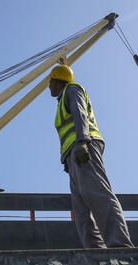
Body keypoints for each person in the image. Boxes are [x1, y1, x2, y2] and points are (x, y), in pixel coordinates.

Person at [48, 65, 133, 248]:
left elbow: (81, 115)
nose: (48, 87)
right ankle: (96, 251)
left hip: (84, 147)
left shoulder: (72, 89)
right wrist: (68, 158)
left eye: (50, 82)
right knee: (81, 208)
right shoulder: (62, 99)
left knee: (97, 193)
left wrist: (82, 142)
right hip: (73, 156)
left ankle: (120, 245)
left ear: (57, 81)